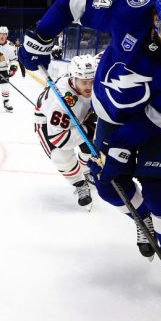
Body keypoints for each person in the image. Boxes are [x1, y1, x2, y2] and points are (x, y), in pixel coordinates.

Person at [19, 0, 161, 297]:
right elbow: (75, 0)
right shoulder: (130, 11)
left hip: (158, 125)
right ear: (156, 18)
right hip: (110, 116)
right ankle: (144, 220)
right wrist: (41, 36)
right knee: (108, 185)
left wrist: (123, 146)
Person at [35, 55, 97, 209]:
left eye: (92, 81)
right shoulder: (61, 102)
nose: (89, 86)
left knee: (95, 143)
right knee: (61, 155)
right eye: (84, 82)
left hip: (80, 115)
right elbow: (59, 139)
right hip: (48, 123)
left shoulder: (87, 76)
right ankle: (79, 183)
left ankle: (86, 168)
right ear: (73, 78)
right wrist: (88, 129)